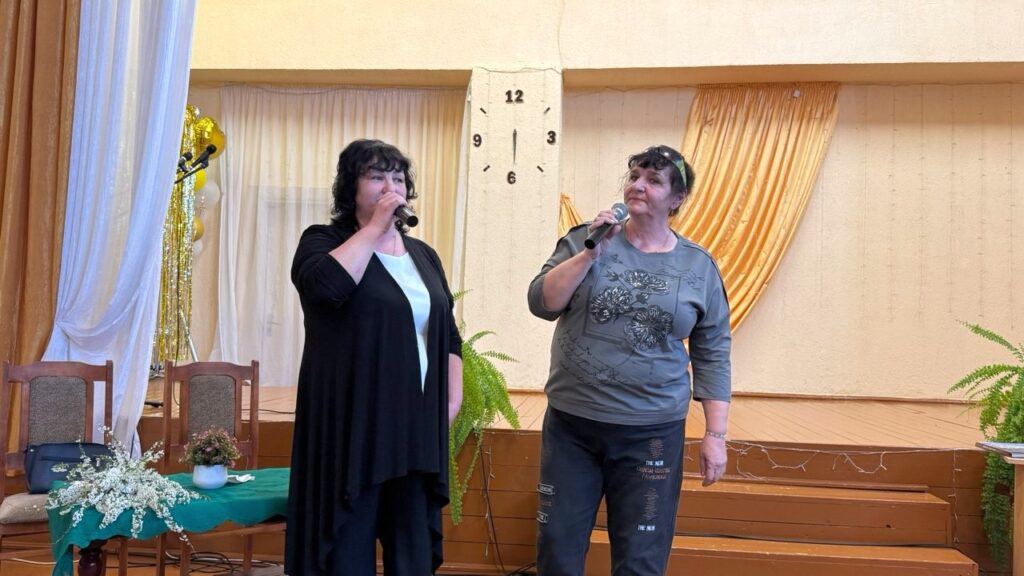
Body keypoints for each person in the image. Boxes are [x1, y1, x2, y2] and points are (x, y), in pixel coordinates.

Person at [527, 145, 731, 575]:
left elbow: (713, 351)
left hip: (652, 433)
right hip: (573, 427)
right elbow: (542, 302)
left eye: (654, 180)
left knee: (641, 559)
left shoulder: (698, 266)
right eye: (635, 176)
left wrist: (715, 434)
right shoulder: (585, 239)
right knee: (558, 551)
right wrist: (589, 254)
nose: (638, 185)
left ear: (677, 198)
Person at [286, 139, 463, 576]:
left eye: (398, 179)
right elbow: (326, 288)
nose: (390, 188)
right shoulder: (323, 242)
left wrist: (452, 399)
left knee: (411, 550)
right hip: (354, 425)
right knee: (349, 547)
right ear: (351, 187)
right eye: (376, 177)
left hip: (415, 427)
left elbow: (448, 333)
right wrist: (374, 228)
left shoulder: (424, 256)